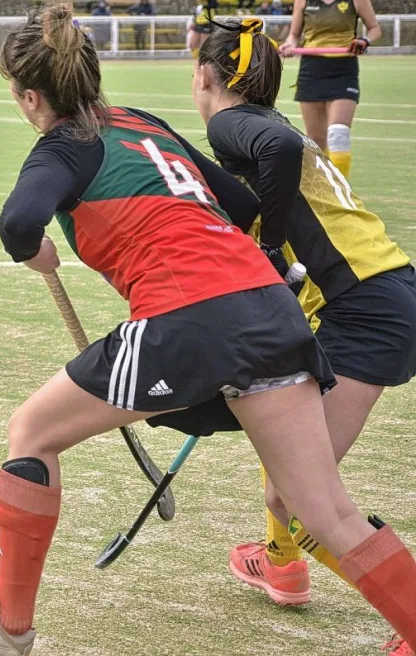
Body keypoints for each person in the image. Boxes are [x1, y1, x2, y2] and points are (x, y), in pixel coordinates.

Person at [0, 6, 416, 656]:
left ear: (29, 95)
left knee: (31, 434)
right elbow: (240, 206)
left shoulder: (64, 145)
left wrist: (34, 248)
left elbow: (19, 221)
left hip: (190, 319)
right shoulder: (144, 125)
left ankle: (7, 627)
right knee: (329, 513)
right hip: (274, 311)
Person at [189, 17, 416, 654]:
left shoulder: (232, 124)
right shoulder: (272, 125)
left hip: (366, 305)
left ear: (204, 75)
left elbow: (281, 161)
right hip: (376, 294)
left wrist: (264, 247)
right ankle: (282, 564)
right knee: (288, 481)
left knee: (307, 492)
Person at [279, 0, 380, 177]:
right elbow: (294, 35)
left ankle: (342, 192)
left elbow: (375, 29)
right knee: (316, 141)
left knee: (338, 133)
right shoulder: (303, 1)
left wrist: (364, 40)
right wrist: (290, 44)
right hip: (312, 69)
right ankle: (323, 191)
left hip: (343, 69)